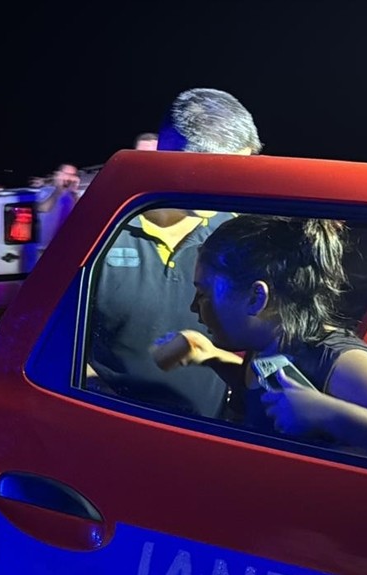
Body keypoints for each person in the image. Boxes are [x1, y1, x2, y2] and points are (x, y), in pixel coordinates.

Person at [87, 87, 262, 417]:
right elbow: (57, 348)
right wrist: (111, 407)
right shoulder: (104, 229)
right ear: (174, 161)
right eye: (228, 176)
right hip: (111, 431)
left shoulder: (236, 229)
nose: (238, 189)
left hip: (208, 435)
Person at [155, 215, 367, 433]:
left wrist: (332, 414)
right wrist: (212, 357)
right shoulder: (268, 344)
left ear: (257, 297)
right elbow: (275, 388)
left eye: (204, 294)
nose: (193, 307)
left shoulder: (343, 364)